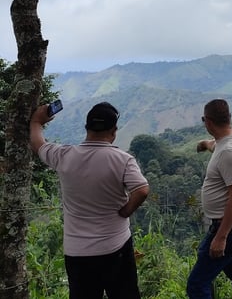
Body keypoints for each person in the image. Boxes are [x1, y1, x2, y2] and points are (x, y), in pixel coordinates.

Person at [29, 101, 150, 299]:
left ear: (86, 128)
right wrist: (126, 211)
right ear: (114, 131)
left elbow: (38, 145)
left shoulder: (63, 155)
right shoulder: (122, 159)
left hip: (78, 252)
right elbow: (142, 190)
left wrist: (36, 122)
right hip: (116, 245)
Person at [187, 99, 232, 299]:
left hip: (229, 227)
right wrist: (205, 144)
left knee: (197, 284)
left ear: (208, 121)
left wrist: (221, 237)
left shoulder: (229, 152)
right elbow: (217, 145)